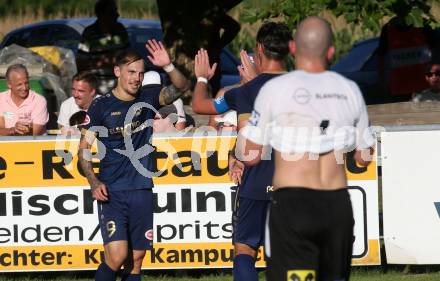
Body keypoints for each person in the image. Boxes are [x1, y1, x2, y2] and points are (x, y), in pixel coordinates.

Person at [237, 17, 375, 281]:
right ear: (332, 52)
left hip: (293, 202)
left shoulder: (274, 90)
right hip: (335, 203)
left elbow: (251, 155)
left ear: (292, 49)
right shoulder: (349, 90)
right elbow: (364, 156)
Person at [78, 39, 189, 281]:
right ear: (117, 72)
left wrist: (168, 66)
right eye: (131, 72)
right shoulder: (100, 107)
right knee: (117, 256)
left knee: (136, 260)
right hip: (113, 191)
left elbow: (182, 87)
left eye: (140, 73)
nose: (136, 78)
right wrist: (94, 182)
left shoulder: (148, 97)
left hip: (142, 188)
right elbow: (83, 149)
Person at [192, 22, 292, 281]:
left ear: (258, 48)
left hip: (257, 184)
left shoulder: (245, 92)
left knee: (245, 249)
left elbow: (200, 105)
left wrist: (203, 78)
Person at [76, 0, 129, 73]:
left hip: (120, 83)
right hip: (98, 83)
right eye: (112, 12)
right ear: (102, 14)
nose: (117, 15)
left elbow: (129, 57)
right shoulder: (89, 33)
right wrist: (102, 63)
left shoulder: (121, 30)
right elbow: (81, 62)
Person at [0, 64, 48, 136]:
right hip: (7, 145)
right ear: (9, 84)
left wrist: (23, 129)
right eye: (19, 84)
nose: (24, 88)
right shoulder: (1, 99)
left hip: (33, 145)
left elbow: (35, 133)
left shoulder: (39, 100)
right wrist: (12, 130)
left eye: (26, 83)